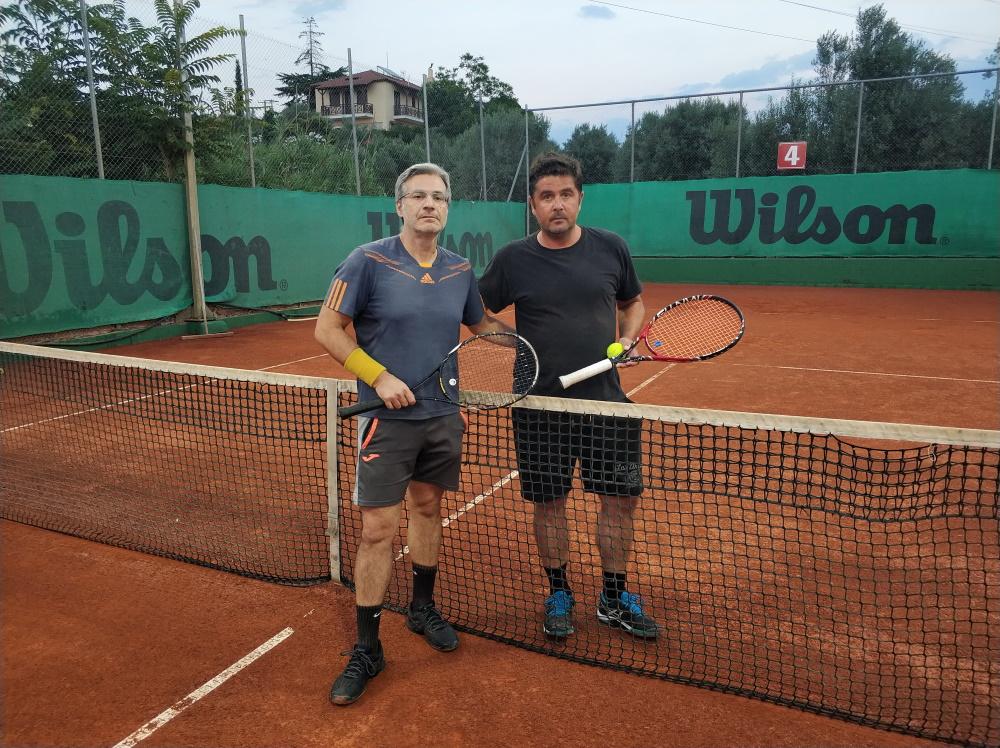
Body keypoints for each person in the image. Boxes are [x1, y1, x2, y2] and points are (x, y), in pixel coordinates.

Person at [315, 163, 509, 705]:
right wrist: (378, 376)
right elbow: (327, 329)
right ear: (399, 206)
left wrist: (530, 347)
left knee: (428, 509)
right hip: (386, 421)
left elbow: (482, 325)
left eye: (439, 197)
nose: (429, 204)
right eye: (418, 196)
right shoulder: (366, 260)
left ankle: (422, 609)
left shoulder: (460, 269)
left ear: (448, 208)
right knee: (378, 530)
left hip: (443, 416)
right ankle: (368, 648)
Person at [477, 152, 659, 641]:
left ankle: (614, 596)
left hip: (606, 403)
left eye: (565, 194)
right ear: (532, 205)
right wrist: (516, 344)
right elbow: (476, 311)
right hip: (540, 405)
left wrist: (627, 339)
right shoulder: (513, 259)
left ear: (580, 199)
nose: (556, 204)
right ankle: (558, 592)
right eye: (546, 196)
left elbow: (633, 302)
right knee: (550, 503)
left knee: (620, 501)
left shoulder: (611, 248)